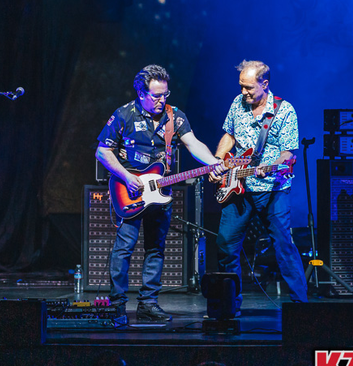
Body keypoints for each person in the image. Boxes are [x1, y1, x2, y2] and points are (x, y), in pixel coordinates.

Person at [96, 64, 224, 322]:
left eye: (165, 94)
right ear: (141, 93)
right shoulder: (124, 115)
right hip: (130, 190)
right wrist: (127, 177)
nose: (161, 100)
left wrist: (213, 162)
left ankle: (148, 304)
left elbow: (193, 144)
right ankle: (117, 305)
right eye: (156, 95)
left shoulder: (174, 117)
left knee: (156, 248)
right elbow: (103, 151)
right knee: (124, 248)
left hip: (160, 193)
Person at [209, 60, 309, 312]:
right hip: (238, 186)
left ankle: (301, 308)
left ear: (265, 83)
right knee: (225, 244)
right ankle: (230, 305)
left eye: (249, 88)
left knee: (284, 245)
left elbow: (288, 154)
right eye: (241, 86)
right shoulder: (237, 103)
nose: (244, 92)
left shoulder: (285, 111)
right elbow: (229, 135)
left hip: (272, 189)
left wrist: (271, 165)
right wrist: (218, 161)